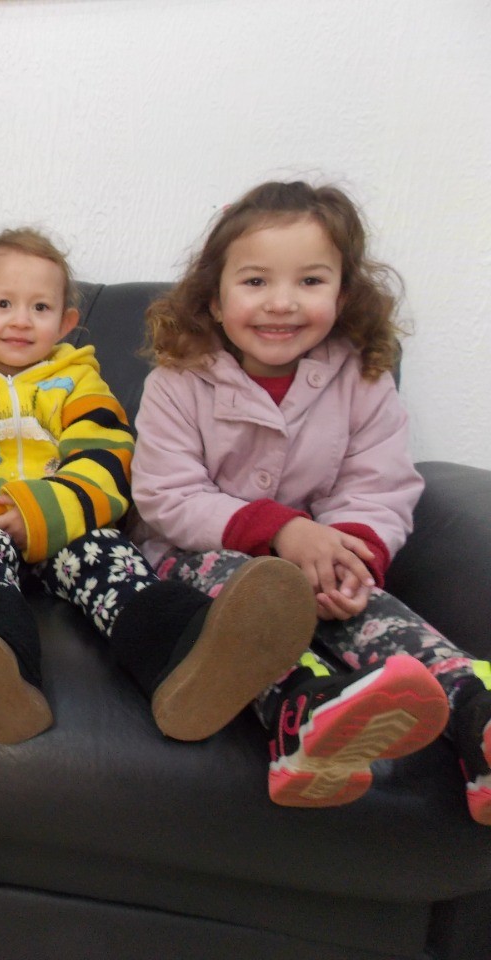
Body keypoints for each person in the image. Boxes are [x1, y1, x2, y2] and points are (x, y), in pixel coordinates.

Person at [126, 180, 491, 817]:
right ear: (214, 299)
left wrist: (352, 556)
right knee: (250, 611)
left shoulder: (362, 377)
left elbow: (378, 485)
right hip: (193, 558)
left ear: (342, 294)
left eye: (311, 281)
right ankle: (305, 711)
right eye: (256, 281)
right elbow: (167, 495)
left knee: (369, 607)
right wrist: (281, 533)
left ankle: (473, 711)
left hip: (320, 551)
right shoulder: (177, 382)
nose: (282, 303)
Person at [0, 228, 317, 745]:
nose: (21, 320)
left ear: (66, 323)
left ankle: (188, 659)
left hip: (68, 522)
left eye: (40, 307)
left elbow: (106, 455)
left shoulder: (79, 381)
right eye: (3, 304)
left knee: (114, 564)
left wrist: (45, 510)